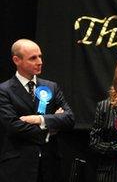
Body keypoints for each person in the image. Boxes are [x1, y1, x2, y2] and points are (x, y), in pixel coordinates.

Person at [0, 39, 75, 182]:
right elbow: (13, 126)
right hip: (18, 167)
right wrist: (50, 127)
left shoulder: (51, 86)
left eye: (40, 56)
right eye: (33, 58)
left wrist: (40, 120)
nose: (39, 61)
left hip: (50, 165)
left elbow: (69, 118)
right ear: (17, 60)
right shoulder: (4, 90)